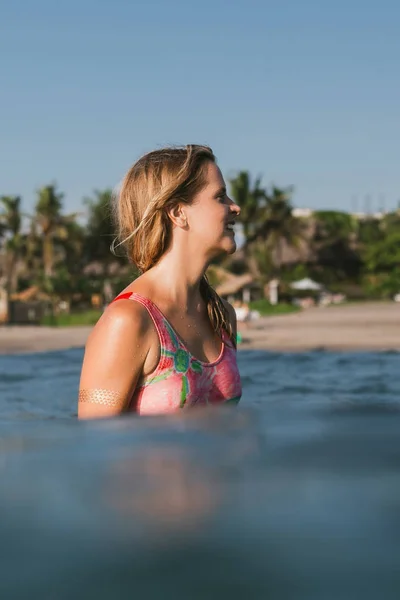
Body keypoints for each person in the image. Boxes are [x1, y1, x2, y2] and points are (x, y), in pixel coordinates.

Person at [78, 145, 242, 419]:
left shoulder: (222, 315)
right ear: (178, 213)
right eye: (220, 196)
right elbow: (94, 445)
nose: (235, 207)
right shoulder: (129, 320)